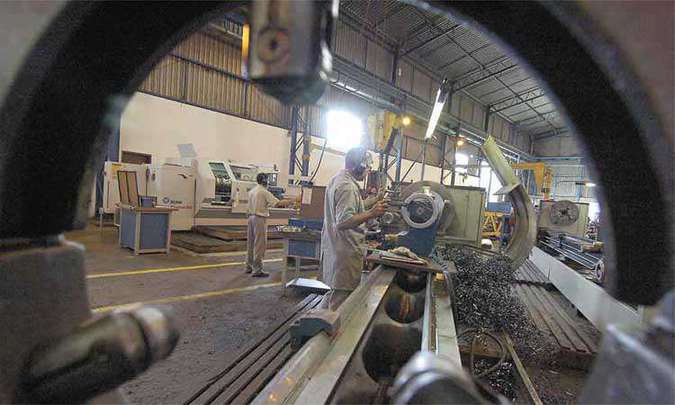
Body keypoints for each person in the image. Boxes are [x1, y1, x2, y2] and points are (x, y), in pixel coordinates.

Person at [320, 146, 387, 310]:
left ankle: (314, 327)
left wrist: (374, 200)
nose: (368, 172)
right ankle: (330, 334)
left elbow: (352, 208)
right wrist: (372, 213)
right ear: (360, 166)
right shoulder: (348, 187)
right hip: (345, 251)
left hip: (336, 248)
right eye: (368, 168)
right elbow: (343, 221)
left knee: (334, 293)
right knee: (341, 303)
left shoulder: (338, 179)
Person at [246, 173, 294, 277]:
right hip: (259, 219)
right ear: (265, 181)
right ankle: (257, 270)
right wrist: (293, 201)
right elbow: (278, 203)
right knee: (259, 245)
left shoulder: (252, 191)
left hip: (250, 218)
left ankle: (249, 267)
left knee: (250, 244)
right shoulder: (263, 192)